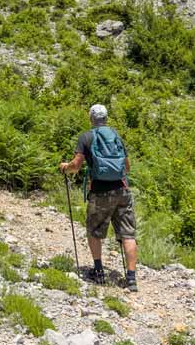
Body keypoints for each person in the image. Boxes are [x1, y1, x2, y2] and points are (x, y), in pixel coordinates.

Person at [59, 103, 138, 292]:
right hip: (122, 190)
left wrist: (64, 167)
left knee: (95, 231)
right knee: (128, 234)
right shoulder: (116, 136)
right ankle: (132, 279)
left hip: (100, 192)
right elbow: (127, 168)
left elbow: (76, 165)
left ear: (91, 118)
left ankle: (99, 271)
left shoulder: (86, 137)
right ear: (106, 118)